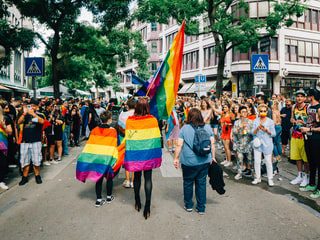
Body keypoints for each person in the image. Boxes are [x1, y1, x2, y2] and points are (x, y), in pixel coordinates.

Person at [124, 98, 162, 219]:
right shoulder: (153, 120)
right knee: (148, 179)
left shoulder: (130, 121)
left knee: (137, 178)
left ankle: (137, 201)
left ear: (136, 107)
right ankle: (147, 207)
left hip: (135, 154)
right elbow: (157, 138)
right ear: (147, 107)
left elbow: (128, 138)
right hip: (148, 154)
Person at [173, 108, 216, 214]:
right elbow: (212, 144)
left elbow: (179, 145)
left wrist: (176, 158)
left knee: (188, 183)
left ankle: (188, 205)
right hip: (204, 160)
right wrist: (213, 157)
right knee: (201, 183)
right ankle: (201, 207)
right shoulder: (207, 127)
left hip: (188, 161)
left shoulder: (184, 128)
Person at [76, 111, 119, 207]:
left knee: (98, 179)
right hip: (107, 158)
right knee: (109, 178)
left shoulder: (95, 130)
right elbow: (114, 145)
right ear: (109, 120)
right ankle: (109, 197)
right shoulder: (113, 131)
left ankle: (98, 200)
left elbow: (90, 145)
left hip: (97, 158)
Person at [17, 98, 45, 185]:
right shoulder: (25, 115)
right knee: (25, 160)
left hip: (36, 141)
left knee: (36, 160)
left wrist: (33, 114)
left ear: (37, 106)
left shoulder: (40, 114)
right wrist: (24, 114)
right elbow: (19, 122)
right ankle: (24, 177)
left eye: (33, 105)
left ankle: (37, 176)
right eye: (30, 105)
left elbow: (42, 121)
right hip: (25, 141)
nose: (32, 107)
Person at [299, 89, 320, 199]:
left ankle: (319, 189)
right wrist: (303, 123)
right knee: (311, 162)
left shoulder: (319, 108)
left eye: (307, 96)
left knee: (318, 163)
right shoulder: (308, 107)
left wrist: (309, 128)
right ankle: (311, 184)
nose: (306, 98)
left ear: (311, 96)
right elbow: (310, 120)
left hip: (317, 139)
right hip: (308, 138)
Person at [251, 104, 276, 186]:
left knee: (268, 161)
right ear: (258, 111)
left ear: (267, 111)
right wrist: (257, 128)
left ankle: (270, 179)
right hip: (257, 144)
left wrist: (267, 130)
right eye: (261, 111)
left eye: (264, 111)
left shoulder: (270, 121)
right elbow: (252, 133)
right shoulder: (255, 121)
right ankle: (257, 178)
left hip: (267, 144)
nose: (263, 112)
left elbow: (274, 134)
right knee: (257, 161)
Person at [290, 90, 309, 187]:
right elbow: (291, 119)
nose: (299, 98)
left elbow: (312, 122)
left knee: (305, 158)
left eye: (301, 96)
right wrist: (293, 120)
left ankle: (306, 176)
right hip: (295, 134)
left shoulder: (308, 107)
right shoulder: (293, 107)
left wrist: (304, 123)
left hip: (304, 135)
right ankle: (299, 175)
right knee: (297, 156)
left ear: (305, 98)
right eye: (298, 96)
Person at [118, 98, 136, 188]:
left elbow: (120, 128)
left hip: (124, 140)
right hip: (136, 140)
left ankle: (128, 180)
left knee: (127, 160)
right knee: (134, 160)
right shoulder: (138, 115)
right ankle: (133, 181)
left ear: (127, 106)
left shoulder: (122, 115)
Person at [232, 106, 253, 180]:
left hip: (248, 143)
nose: (244, 113)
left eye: (245, 111)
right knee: (239, 159)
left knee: (250, 159)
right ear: (240, 113)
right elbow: (234, 132)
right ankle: (239, 173)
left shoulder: (250, 122)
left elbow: (253, 133)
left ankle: (252, 173)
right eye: (243, 112)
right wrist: (240, 127)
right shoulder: (237, 122)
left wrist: (248, 130)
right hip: (239, 144)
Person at [0, 106, 13, 190]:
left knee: (2, 162)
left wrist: (4, 126)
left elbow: (10, 131)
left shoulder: (5, 119)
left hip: (2, 143)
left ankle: (1, 181)